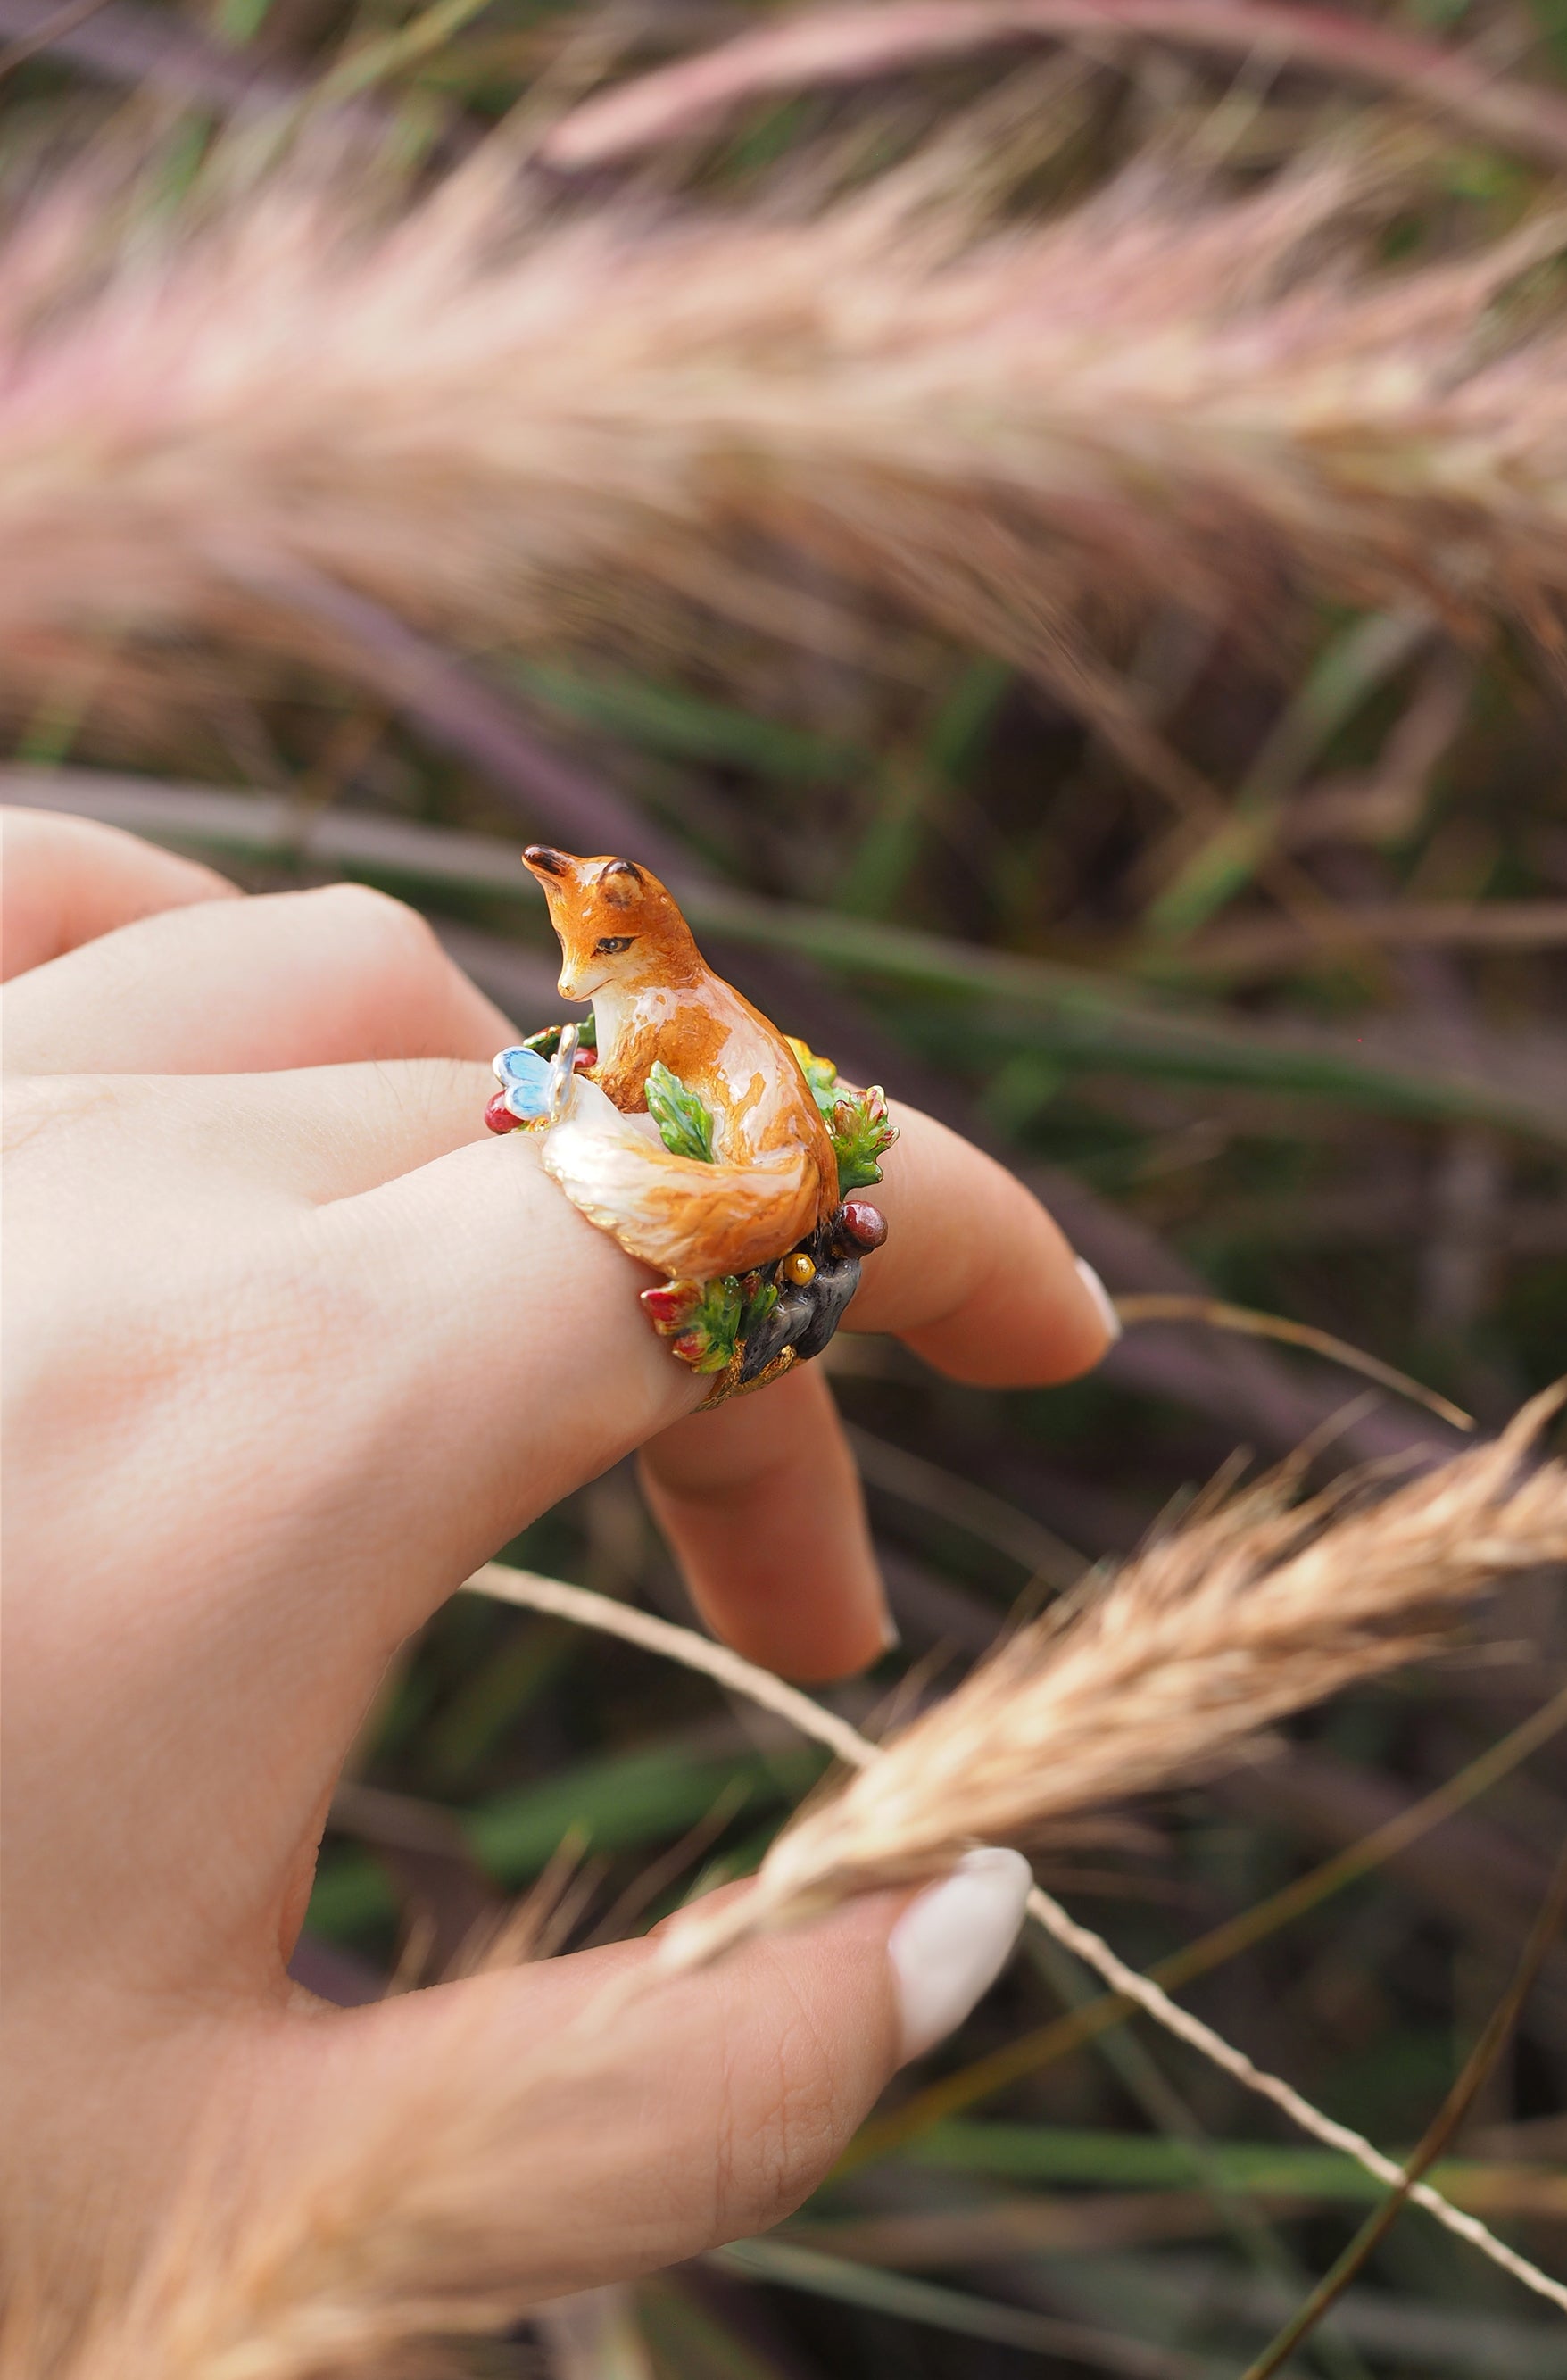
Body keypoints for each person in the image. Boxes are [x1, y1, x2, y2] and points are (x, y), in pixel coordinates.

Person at [0, 807, 1116, 2313]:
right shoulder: (637, 1009)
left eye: (593, 950)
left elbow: (661, 1100)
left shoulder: (661, 1012)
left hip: (743, 1199)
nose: (581, 973)